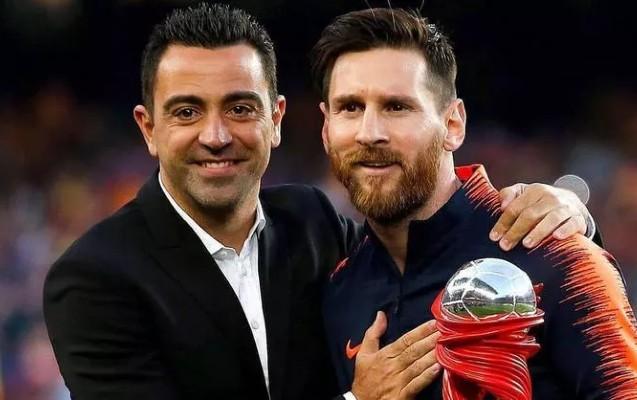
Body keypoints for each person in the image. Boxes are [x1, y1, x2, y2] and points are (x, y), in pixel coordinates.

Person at [43, 3, 598, 400]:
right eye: (187, 112)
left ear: (277, 119)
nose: (216, 135)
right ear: (148, 128)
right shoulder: (95, 280)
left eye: (240, 108)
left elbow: (423, 240)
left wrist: (567, 209)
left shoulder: (313, 223)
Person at [314, 8, 637, 400]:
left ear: (453, 125)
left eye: (397, 107)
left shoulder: (557, 255)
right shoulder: (340, 290)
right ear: (327, 129)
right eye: (350, 107)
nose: (369, 133)